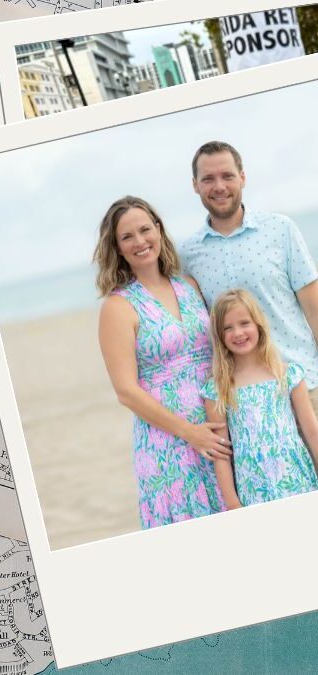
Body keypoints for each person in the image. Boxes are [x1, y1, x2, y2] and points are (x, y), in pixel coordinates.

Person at [95, 196, 228, 529]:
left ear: (159, 229)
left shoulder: (190, 286)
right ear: (118, 248)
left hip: (220, 426)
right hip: (169, 441)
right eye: (128, 237)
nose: (140, 241)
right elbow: (126, 391)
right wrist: (190, 433)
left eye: (144, 230)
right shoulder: (118, 307)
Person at [181, 141, 318, 416]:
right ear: (195, 185)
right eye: (208, 178)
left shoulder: (280, 229)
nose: (219, 186)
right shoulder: (189, 254)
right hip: (245, 404)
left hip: (306, 384)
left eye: (227, 176)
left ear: (242, 177)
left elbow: (315, 310)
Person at [203, 289, 318, 509]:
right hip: (253, 491)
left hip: (298, 481)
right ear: (219, 336)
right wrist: (231, 501)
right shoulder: (218, 389)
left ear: (258, 325)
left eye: (244, 323)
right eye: (227, 328)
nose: (237, 332)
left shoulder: (287, 374)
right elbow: (221, 453)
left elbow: (312, 431)